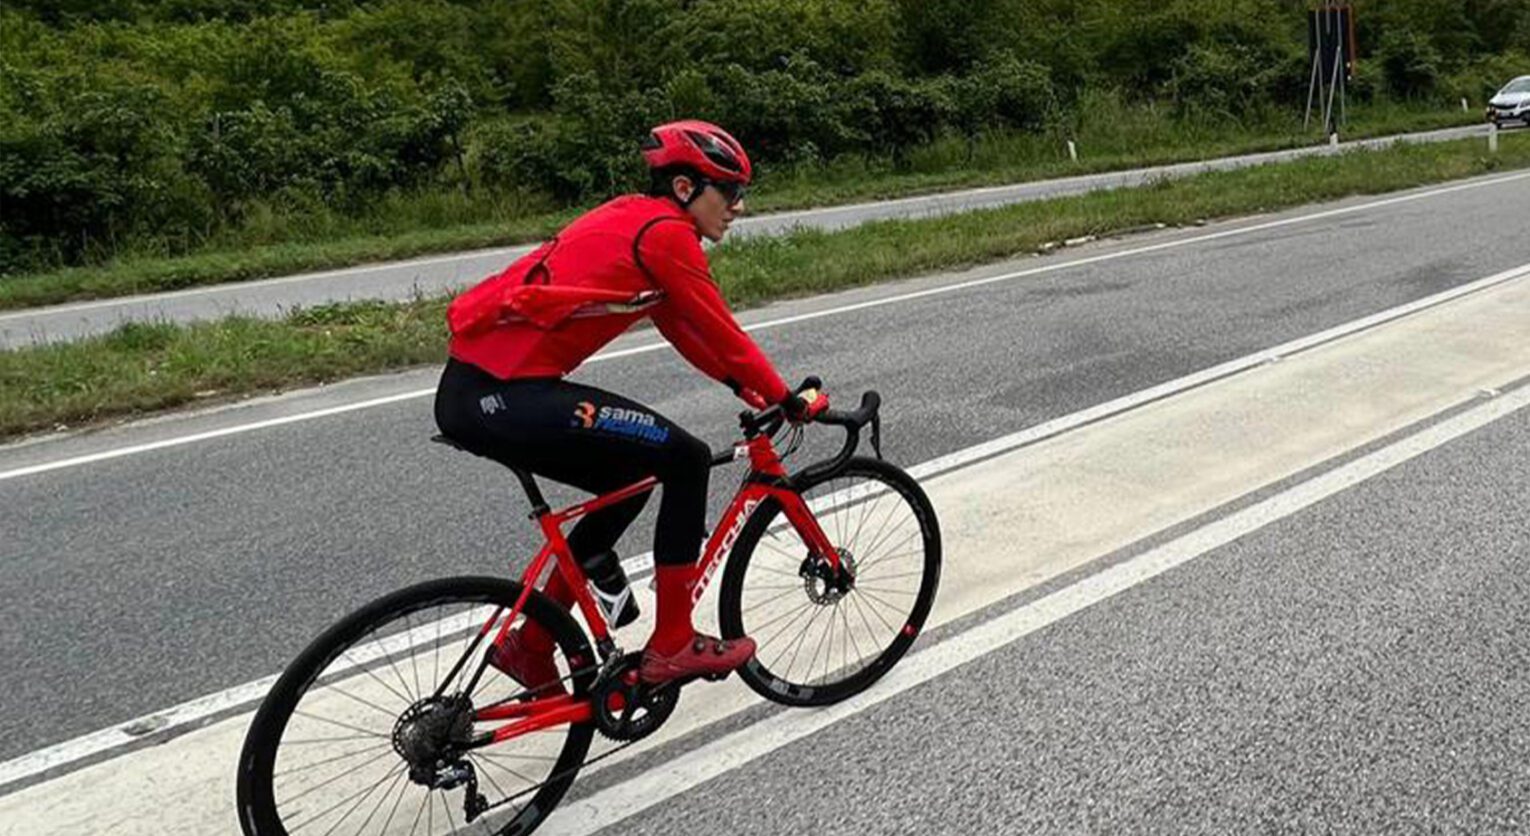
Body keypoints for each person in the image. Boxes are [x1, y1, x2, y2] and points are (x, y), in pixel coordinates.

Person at [434, 120, 827, 692]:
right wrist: (786, 399)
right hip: (505, 393)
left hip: (478, 392)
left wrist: (745, 388)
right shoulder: (668, 236)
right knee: (686, 459)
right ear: (686, 188)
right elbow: (724, 331)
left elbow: (683, 327)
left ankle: (533, 643)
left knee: (632, 479)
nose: (739, 207)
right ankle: (673, 642)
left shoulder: (636, 218)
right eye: (730, 192)